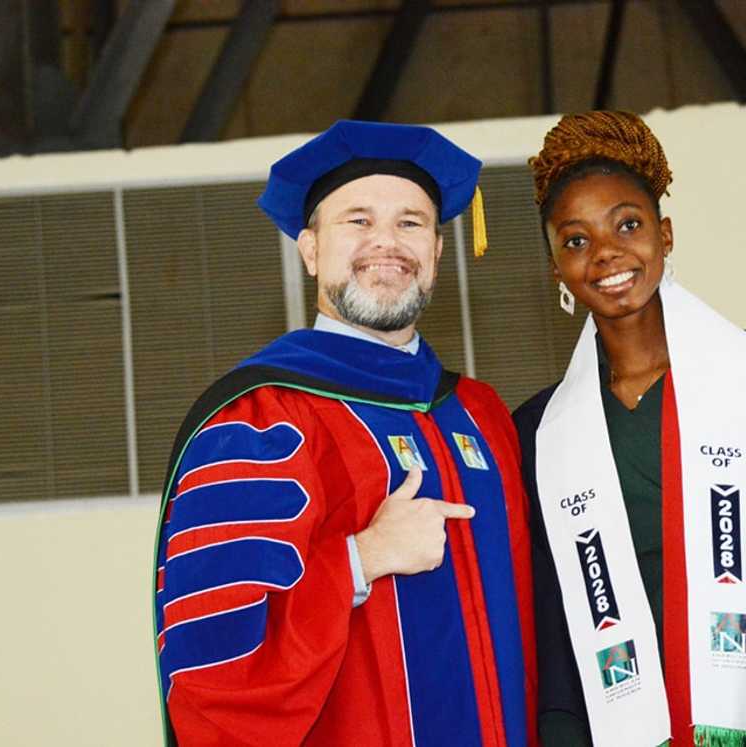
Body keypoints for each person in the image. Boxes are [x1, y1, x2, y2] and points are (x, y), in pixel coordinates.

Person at [512, 111, 746, 747]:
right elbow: (556, 627)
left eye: (628, 225)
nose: (606, 253)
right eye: (575, 240)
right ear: (555, 267)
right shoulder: (539, 434)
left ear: (664, 235)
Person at [151, 120, 536, 746]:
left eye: (411, 223)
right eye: (357, 220)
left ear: (438, 252)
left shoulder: (480, 413)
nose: (386, 242)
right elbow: (213, 670)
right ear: (309, 250)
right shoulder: (260, 419)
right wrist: (364, 558)